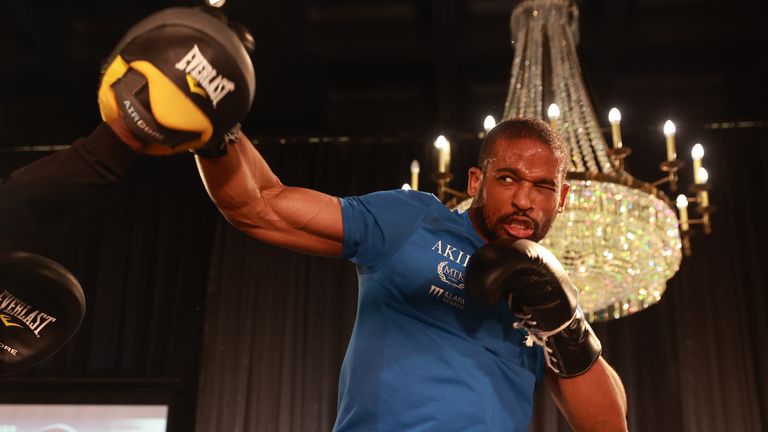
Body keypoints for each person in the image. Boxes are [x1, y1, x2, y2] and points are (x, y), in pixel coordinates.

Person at [195, 117, 628, 431]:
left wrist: (565, 327)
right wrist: (216, 129)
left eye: (542, 187)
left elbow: (609, 425)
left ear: (563, 197)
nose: (523, 200)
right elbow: (260, 206)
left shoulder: (547, 290)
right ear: (476, 181)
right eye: (508, 179)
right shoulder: (415, 221)